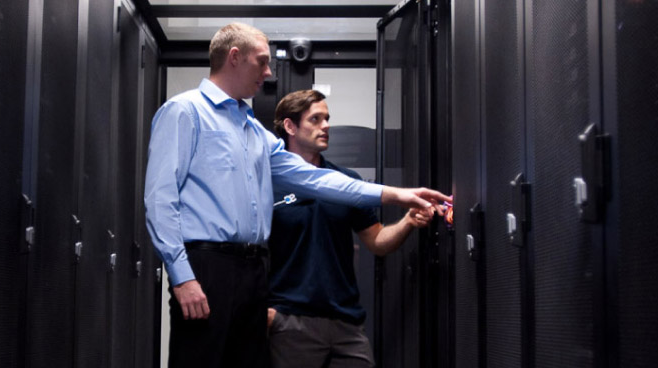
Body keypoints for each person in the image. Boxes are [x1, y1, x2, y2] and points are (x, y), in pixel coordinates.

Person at [143, 22, 450, 368]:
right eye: (262, 61)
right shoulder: (185, 111)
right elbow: (160, 200)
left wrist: (399, 196)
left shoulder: (254, 131)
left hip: (253, 271)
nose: (269, 72)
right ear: (234, 58)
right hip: (207, 265)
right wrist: (182, 275)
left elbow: (318, 180)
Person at [266, 89, 438, 368]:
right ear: (290, 126)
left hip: (345, 323)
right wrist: (267, 314)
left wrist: (407, 222)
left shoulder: (347, 181)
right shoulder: (269, 182)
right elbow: (250, 251)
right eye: (316, 119)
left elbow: (377, 240)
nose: (326, 126)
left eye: (327, 118)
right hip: (290, 322)